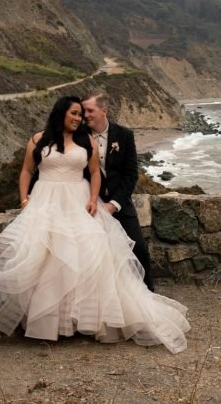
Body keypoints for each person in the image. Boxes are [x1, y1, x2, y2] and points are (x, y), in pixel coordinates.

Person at [0, 96, 188, 354]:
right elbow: (27, 171)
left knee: (88, 258)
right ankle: (51, 324)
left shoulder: (85, 140)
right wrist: (24, 199)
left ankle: (86, 320)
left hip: (79, 200)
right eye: (74, 113)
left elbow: (96, 172)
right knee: (48, 258)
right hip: (47, 201)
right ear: (61, 113)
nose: (79, 118)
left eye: (82, 114)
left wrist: (92, 199)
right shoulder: (37, 139)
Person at [81, 91, 155, 291]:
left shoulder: (124, 135)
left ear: (103, 111)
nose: (85, 115)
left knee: (139, 249)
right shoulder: (78, 136)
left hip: (119, 204)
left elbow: (131, 175)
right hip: (89, 206)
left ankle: (149, 295)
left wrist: (114, 204)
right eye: (83, 111)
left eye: (90, 110)